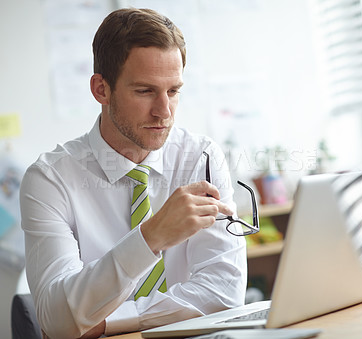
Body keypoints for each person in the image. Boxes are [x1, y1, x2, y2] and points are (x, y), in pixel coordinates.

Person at [20, 7, 247, 339]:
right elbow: (58, 321)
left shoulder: (201, 157)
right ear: (101, 90)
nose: (164, 112)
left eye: (173, 91)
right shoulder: (49, 179)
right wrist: (150, 237)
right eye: (145, 91)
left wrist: (109, 321)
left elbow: (225, 294)